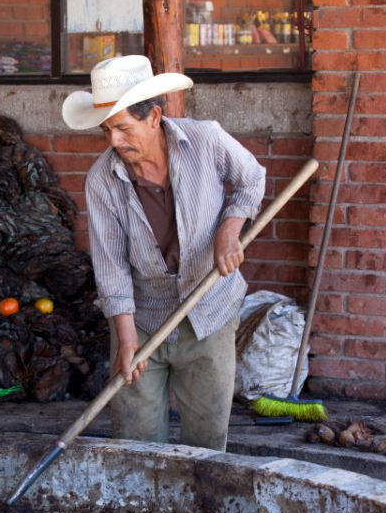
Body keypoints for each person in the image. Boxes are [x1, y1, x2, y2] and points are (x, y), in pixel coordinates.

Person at [61, 55, 265, 452]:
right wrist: (125, 339)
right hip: (143, 318)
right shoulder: (103, 178)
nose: (113, 142)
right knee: (136, 441)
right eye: (106, 130)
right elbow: (111, 265)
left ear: (154, 117)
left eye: (122, 128)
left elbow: (251, 179)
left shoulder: (206, 140)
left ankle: (200, 509)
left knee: (205, 444)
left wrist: (229, 227)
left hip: (209, 310)